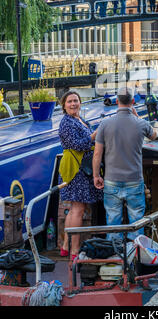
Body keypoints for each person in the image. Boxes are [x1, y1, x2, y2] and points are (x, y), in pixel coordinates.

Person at [93, 87, 157, 240]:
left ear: (116, 102)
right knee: (136, 223)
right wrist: (138, 117)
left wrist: (96, 176)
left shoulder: (105, 124)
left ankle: (115, 256)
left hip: (111, 181)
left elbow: (97, 154)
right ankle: (136, 256)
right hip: (134, 181)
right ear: (133, 102)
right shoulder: (141, 124)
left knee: (113, 222)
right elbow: (154, 135)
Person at [58, 91, 102, 258]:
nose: (73, 104)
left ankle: (66, 245)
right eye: (69, 101)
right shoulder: (66, 123)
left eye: (76, 101)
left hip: (82, 168)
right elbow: (75, 145)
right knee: (78, 208)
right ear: (64, 105)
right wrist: (93, 136)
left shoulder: (80, 119)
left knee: (74, 208)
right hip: (76, 169)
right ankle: (74, 250)